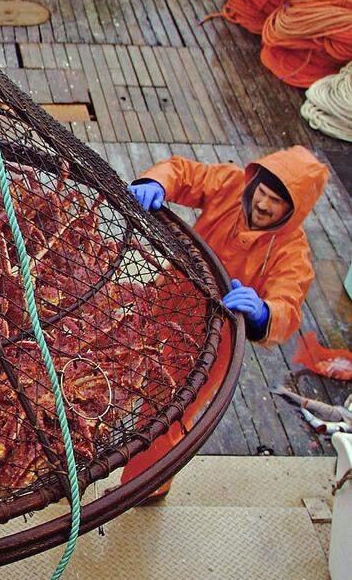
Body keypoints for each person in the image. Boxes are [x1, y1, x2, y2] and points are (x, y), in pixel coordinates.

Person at [120, 145, 329, 497]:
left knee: (170, 415)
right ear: (253, 183)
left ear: (293, 212)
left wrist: (264, 312)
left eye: (275, 202)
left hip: (212, 345)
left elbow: (287, 307)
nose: (262, 204)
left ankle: (141, 490)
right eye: (262, 192)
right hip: (167, 302)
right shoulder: (231, 184)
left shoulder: (293, 253)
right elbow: (183, 172)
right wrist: (156, 181)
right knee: (114, 365)